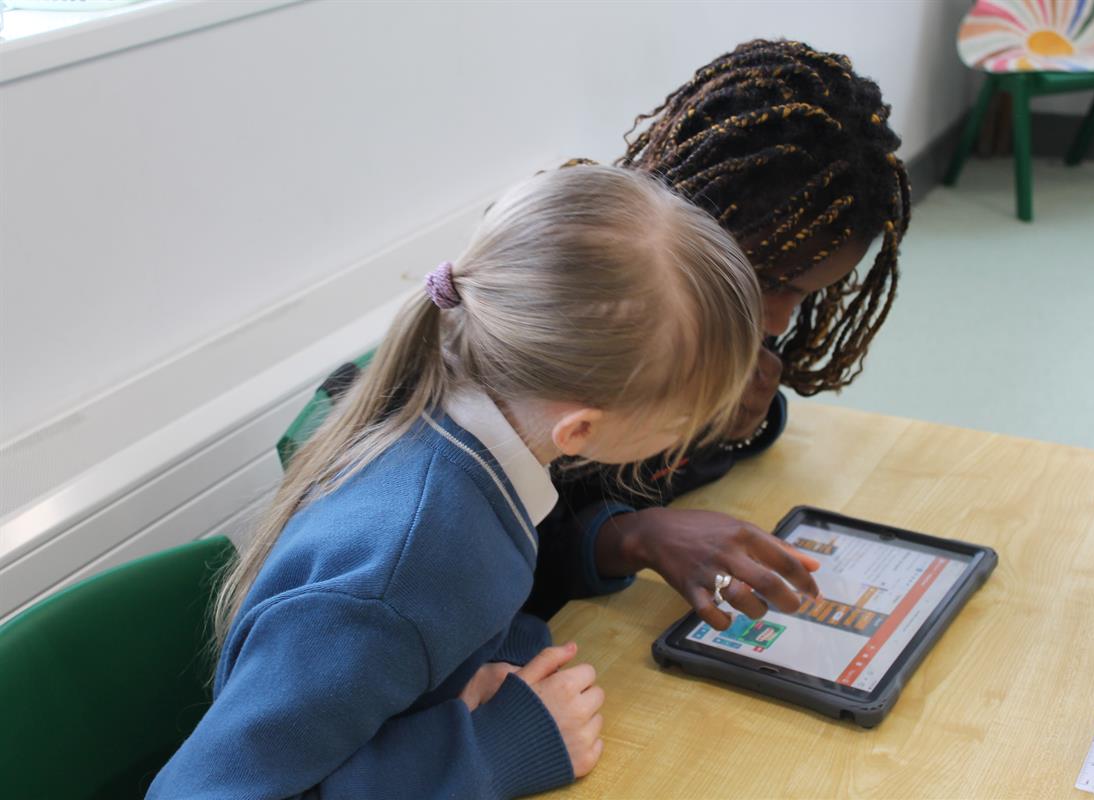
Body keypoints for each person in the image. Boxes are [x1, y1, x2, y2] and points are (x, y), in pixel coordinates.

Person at [147, 165, 773, 799]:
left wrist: (480, 678)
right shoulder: (408, 563)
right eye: (687, 423)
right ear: (580, 430)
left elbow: (443, 639)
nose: (691, 438)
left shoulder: (470, 434)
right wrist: (492, 752)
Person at [525, 39, 911, 631]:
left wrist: (738, 424)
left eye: (806, 294)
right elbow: (506, 553)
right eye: (774, 283)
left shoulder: (728, 295)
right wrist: (633, 536)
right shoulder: (570, 311)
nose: (779, 323)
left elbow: (681, 462)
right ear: (703, 221)